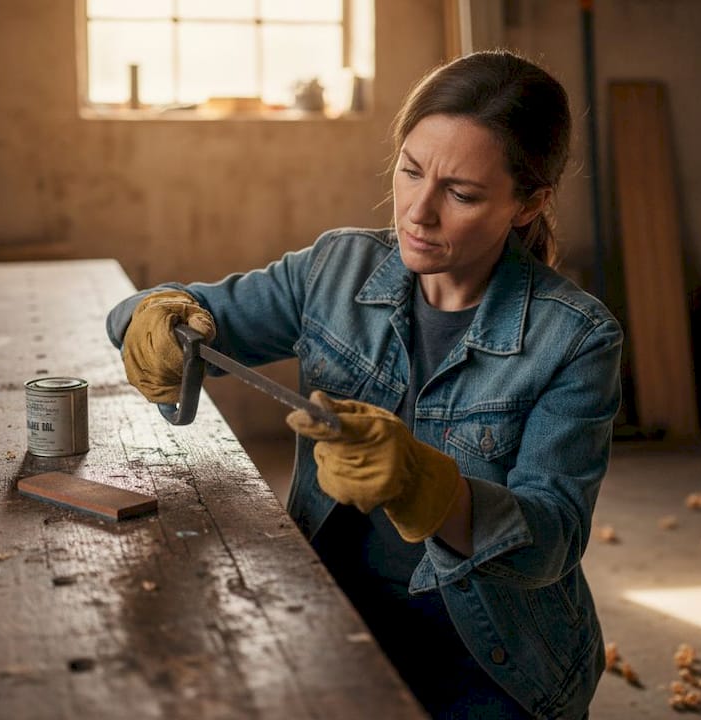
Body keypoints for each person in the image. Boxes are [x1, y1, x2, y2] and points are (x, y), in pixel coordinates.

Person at [106, 49, 623, 719]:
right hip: (332, 609)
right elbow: (170, 312)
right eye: (410, 171)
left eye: (461, 193)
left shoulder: (578, 338)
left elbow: (551, 540)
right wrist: (148, 317)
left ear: (529, 204)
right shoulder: (338, 269)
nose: (419, 211)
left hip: (496, 655)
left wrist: (427, 487)